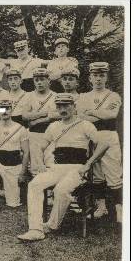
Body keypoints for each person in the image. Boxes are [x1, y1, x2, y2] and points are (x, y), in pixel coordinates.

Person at [17, 93, 109, 241]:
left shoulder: (85, 125)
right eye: (59, 106)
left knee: (61, 190)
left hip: (77, 169)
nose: (63, 109)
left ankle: (52, 224)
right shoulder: (53, 126)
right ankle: (35, 229)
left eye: (66, 105)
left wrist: (88, 164)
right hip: (57, 168)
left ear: (74, 107)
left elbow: (104, 144)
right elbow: (39, 146)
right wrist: (40, 162)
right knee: (34, 184)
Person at [77, 62, 123, 222]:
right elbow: (81, 117)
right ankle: (101, 207)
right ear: (90, 77)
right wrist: (98, 114)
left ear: (106, 77)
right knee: (96, 175)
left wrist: (91, 112)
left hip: (109, 136)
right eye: (95, 75)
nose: (98, 79)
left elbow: (111, 114)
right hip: (91, 136)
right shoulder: (84, 97)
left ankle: (120, 210)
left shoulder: (113, 96)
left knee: (114, 173)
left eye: (101, 75)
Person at [0, 100, 30, 208]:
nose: (4, 112)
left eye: (7, 109)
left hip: (14, 165)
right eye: (1, 109)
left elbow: (26, 152)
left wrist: (23, 172)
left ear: (11, 110)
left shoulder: (20, 128)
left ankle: (0, 189)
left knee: (13, 204)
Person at [21, 68, 59, 175]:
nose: (39, 82)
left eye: (42, 79)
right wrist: (44, 113)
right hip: (34, 134)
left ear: (49, 81)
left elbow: (57, 114)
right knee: (35, 167)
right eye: (36, 80)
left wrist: (37, 120)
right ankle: (38, 190)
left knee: (51, 163)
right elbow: (25, 115)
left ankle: (51, 191)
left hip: (51, 133)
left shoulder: (55, 96)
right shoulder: (29, 96)